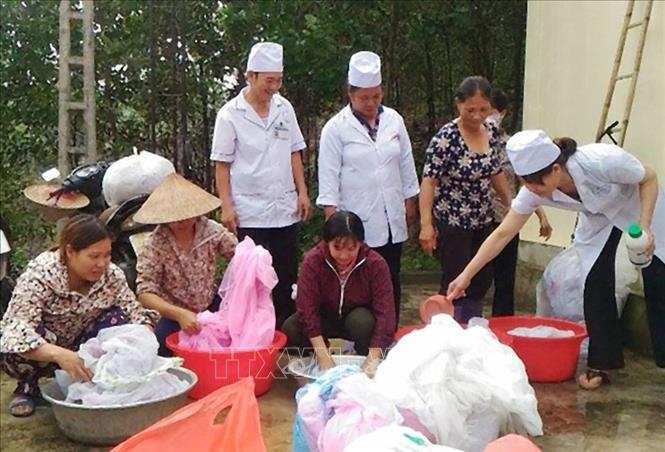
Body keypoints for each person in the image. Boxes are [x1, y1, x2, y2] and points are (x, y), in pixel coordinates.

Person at [448, 130, 665, 389]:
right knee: (594, 281)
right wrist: (466, 275)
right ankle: (602, 362)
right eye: (526, 183)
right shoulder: (535, 191)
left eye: (536, 183)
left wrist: (645, 226)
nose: (533, 191)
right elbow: (503, 233)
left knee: (658, 278)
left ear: (555, 169)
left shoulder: (600, 160)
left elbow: (649, 177)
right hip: (597, 218)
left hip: (638, 207)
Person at [0, 214, 156, 417]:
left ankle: (99, 385)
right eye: (94, 256)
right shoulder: (40, 274)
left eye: (107, 255)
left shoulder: (112, 275)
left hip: (84, 345)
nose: (102, 263)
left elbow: (135, 314)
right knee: (19, 339)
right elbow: (15, 331)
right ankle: (27, 388)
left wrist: (141, 345)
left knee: (119, 320)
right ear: (70, 252)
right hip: (46, 348)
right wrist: (59, 354)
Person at [210, 41, 310, 328]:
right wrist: (226, 208)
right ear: (250, 76)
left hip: (284, 208)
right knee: (251, 277)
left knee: (284, 275)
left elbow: (294, 151)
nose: (274, 87)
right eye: (269, 81)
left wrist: (302, 192)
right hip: (250, 211)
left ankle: (281, 335)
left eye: (278, 80)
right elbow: (222, 164)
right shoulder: (230, 114)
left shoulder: (284, 108)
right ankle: (250, 334)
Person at [317, 51, 420, 325]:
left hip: (391, 215)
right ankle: (366, 340)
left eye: (376, 96)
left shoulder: (394, 120)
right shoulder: (335, 129)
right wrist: (332, 223)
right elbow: (328, 180)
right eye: (364, 97)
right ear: (350, 94)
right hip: (356, 219)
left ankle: (390, 337)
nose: (371, 103)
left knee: (391, 278)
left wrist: (411, 199)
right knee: (365, 285)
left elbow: (406, 162)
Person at [419, 76, 512, 323]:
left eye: (483, 110)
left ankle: (472, 325)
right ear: (458, 105)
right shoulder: (446, 137)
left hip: (483, 215)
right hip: (453, 219)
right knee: (455, 277)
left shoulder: (491, 130)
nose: (477, 116)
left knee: (481, 277)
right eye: (470, 109)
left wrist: (510, 204)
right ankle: (446, 325)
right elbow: (429, 180)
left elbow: (496, 171)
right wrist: (426, 224)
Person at [134, 173, 237, 356]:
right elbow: (145, 292)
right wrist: (179, 314)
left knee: (236, 334)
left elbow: (238, 255)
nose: (181, 221)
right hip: (173, 313)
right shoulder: (155, 244)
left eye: (186, 215)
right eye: (175, 217)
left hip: (210, 304)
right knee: (158, 348)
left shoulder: (211, 231)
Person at [282, 211, 395, 375]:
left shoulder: (375, 264)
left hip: (356, 318)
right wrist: (323, 355)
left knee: (364, 322)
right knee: (292, 327)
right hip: (324, 318)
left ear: (361, 244)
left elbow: (386, 314)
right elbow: (306, 309)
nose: (344, 256)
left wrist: (372, 359)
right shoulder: (313, 262)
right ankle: (315, 356)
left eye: (351, 248)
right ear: (326, 243)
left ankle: (364, 357)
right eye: (337, 247)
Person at [487, 89, 551, 316]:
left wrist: (541, 215)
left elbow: (528, 183)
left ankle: (502, 326)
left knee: (505, 281)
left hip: (507, 218)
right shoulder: (470, 143)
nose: (486, 118)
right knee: (477, 280)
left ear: (502, 114)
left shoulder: (513, 147)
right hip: (477, 220)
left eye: (490, 112)